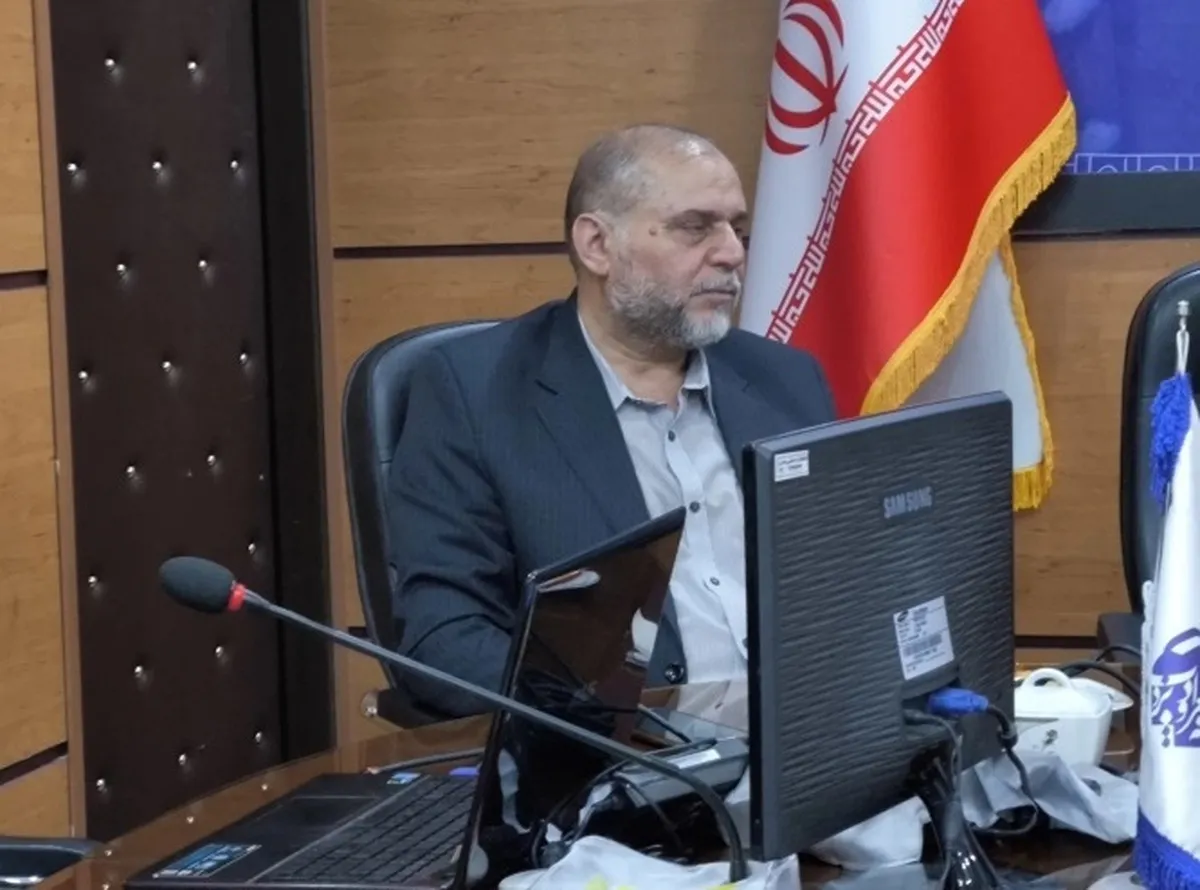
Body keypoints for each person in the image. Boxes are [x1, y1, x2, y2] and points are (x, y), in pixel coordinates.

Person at [386, 124, 835, 717]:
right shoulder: (474, 393)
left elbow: (850, 578)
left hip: (809, 737)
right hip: (628, 755)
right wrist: (604, 723)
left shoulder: (786, 379)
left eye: (737, 228)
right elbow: (444, 635)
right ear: (597, 245)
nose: (731, 253)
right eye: (695, 227)